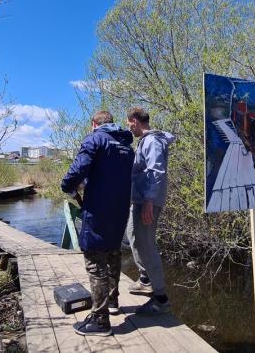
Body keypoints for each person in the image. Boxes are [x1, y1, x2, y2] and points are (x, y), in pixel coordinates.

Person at [61, 110, 134, 336]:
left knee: (95, 261)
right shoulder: (126, 147)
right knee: (113, 254)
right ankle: (112, 302)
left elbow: (77, 170)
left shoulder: (95, 139)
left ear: (94, 124)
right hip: (120, 210)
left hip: (98, 210)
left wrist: (67, 186)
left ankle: (100, 320)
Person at [125, 107, 176, 315]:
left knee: (146, 245)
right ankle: (146, 279)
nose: (129, 128)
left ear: (135, 121)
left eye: (129, 124)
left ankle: (161, 298)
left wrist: (148, 201)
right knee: (132, 235)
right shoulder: (145, 141)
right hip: (139, 200)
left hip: (148, 201)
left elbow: (157, 171)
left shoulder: (153, 141)